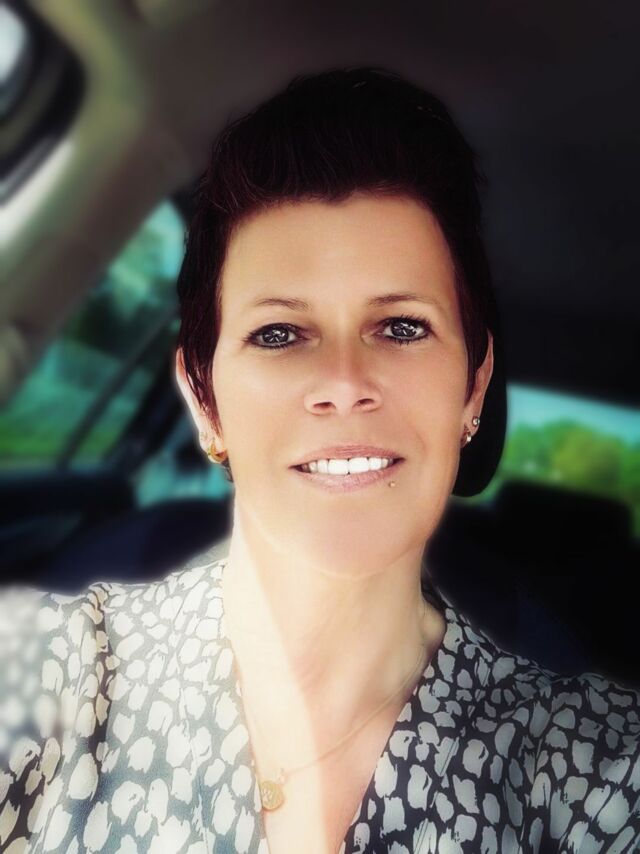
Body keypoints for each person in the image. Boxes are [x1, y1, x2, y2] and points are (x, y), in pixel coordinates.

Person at [0, 67, 638, 854]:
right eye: (278, 334)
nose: (343, 384)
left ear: (473, 390)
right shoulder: (47, 671)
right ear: (204, 398)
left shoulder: (594, 769)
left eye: (401, 327)